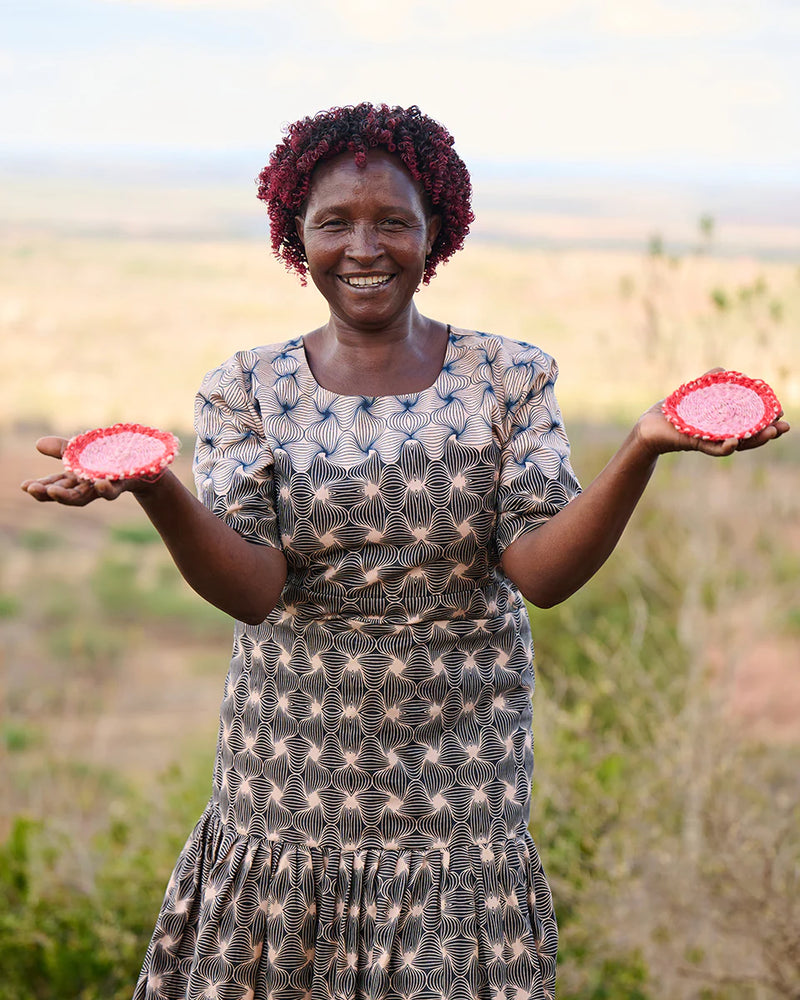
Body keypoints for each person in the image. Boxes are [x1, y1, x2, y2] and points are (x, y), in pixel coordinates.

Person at [22, 103, 789, 1000]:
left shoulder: (510, 376)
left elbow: (540, 574)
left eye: (393, 221)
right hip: (292, 788)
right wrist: (158, 487)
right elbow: (253, 588)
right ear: (293, 235)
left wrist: (642, 447)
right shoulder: (245, 389)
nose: (364, 248)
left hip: (458, 792)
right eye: (334, 223)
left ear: (437, 231)